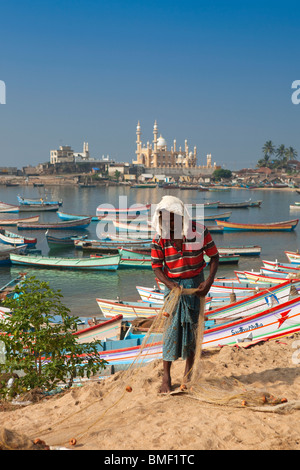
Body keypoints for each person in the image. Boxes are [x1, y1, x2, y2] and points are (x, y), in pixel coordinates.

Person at [151, 196, 219, 393]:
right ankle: (166, 376)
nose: (169, 224)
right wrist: (170, 284)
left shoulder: (199, 231)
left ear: (181, 217)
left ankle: (188, 375)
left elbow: (214, 257)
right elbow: (157, 268)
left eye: (173, 219)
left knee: (192, 329)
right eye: (165, 220)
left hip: (195, 284)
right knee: (171, 330)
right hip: (173, 286)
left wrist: (208, 282)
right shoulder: (159, 238)